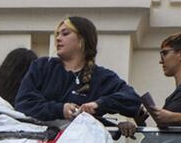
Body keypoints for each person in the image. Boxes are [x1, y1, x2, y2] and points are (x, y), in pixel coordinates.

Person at [14, 16, 143, 125]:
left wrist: (98, 104)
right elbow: (23, 103)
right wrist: (60, 109)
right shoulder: (42, 66)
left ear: (82, 39)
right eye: (57, 34)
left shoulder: (101, 77)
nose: (58, 38)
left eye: (65, 34)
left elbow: (132, 100)